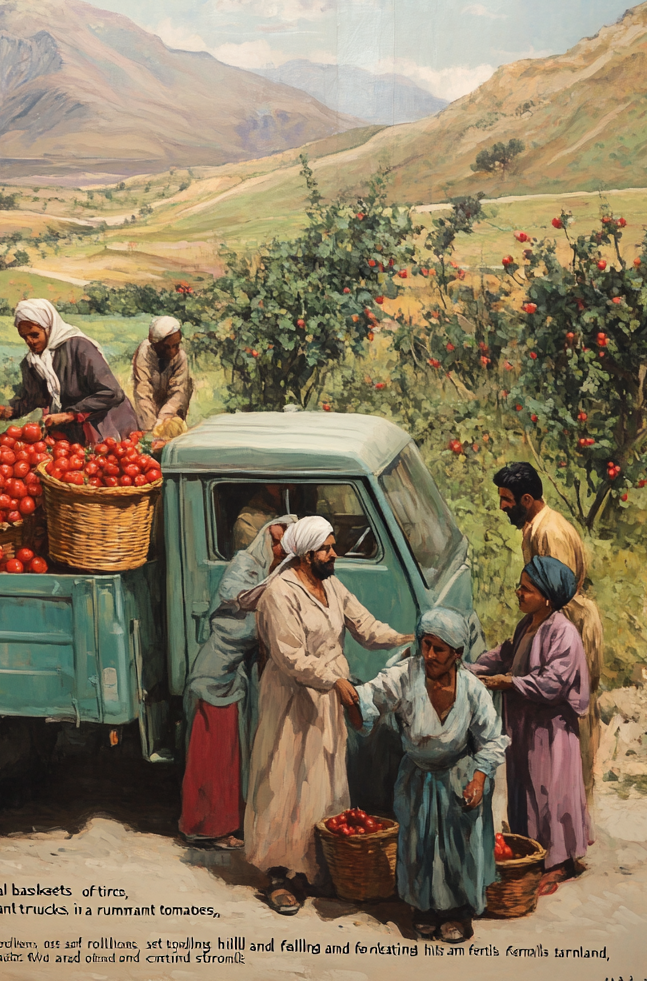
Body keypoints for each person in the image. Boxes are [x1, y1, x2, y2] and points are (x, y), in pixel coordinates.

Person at [241, 516, 414, 914]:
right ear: (304, 554)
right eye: (327, 548)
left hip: (326, 696)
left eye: (333, 546)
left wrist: (407, 638)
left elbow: (364, 626)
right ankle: (280, 873)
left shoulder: (331, 584)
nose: (334, 554)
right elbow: (290, 657)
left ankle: (314, 867)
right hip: (291, 698)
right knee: (287, 780)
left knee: (321, 778)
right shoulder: (279, 594)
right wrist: (334, 681)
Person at [339, 608, 508, 943]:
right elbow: (372, 696)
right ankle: (424, 910)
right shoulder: (406, 675)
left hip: (459, 776)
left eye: (438, 648)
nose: (429, 654)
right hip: (417, 777)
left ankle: (458, 912)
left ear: (457, 654)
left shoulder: (472, 688)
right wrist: (352, 699)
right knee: (420, 844)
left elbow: (492, 739)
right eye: (425, 644)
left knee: (458, 848)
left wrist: (478, 779)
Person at [471, 556, 592, 896]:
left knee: (551, 791)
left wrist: (508, 683)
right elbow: (504, 654)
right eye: (520, 587)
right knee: (525, 787)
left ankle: (559, 862)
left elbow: (553, 684)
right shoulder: (528, 625)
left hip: (551, 730)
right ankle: (533, 851)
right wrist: (474, 668)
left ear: (548, 597)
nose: (518, 593)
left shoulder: (564, 633)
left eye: (526, 589)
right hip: (525, 726)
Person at [180, 515, 296, 849]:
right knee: (213, 758)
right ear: (264, 540)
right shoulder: (245, 565)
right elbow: (241, 611)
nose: (278, 549)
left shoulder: (273, 573)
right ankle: (205, 828)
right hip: (215, 679)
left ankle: (229, 824)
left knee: (232, 757)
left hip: (233, 681)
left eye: (284, 544)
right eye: (275, 541)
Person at [493, 462, 604, 806]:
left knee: (568, 725)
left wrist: (539, 641)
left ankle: (568, 819)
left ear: (527, 498)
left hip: (571, 629)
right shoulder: (534, 527)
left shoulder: (550, 533)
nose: (503, 507)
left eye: (508, 500)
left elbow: (558, 594)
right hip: (555, 628)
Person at [0, 298, 138, 444]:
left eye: (34, 335)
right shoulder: (32, 362)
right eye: (24, 337)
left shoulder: (79, 347)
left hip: (106, 424)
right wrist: (8, 410)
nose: (30, 342)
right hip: (74, 430)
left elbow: (112, 393)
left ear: (49, 328)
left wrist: (71, 414)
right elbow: (32, 398)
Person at [132, 316, 193, 434]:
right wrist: (150, 428)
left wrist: (163, 420)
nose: (172, 352)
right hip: (151, 402)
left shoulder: (180, 357)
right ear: (155, 344)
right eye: (166, 347)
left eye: (176, 345)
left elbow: (178, 393)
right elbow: (143, 392)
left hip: (172, 408)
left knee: (171, 432)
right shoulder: (144, 353)